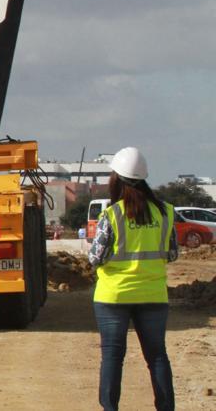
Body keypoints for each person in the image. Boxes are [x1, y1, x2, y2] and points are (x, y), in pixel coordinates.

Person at [87, 147, 177, 411]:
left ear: (116, 178)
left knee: (113, 357)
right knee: (157, 357)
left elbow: (96, 257)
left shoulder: (111, 215)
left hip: (113, 296)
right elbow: (171, 254)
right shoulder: (165, 213)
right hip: (153, 294)